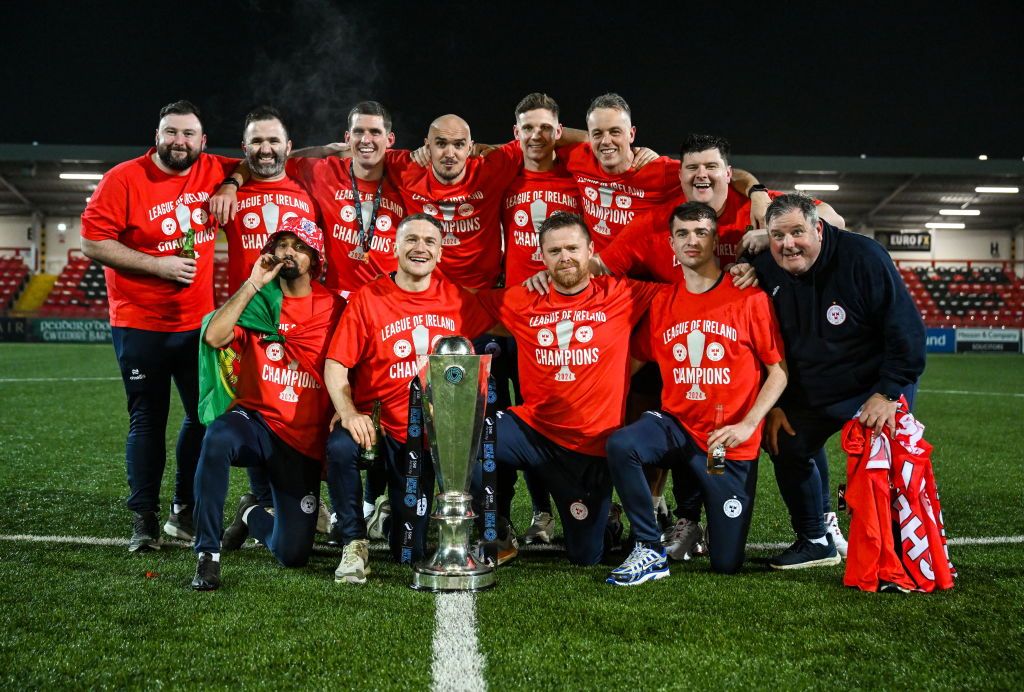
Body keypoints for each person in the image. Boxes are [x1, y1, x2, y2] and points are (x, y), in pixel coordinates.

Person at [80, 100, 237, 551]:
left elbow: (262, 161)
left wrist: (231, 182)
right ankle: (142, 518)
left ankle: (181, 509)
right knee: (148, 419)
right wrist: (157, 266)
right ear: (157, 134)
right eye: (171, 132)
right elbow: (92, 241)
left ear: (202, 142)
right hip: (139, 322)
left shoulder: (211, 168)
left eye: (188, 134)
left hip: (196, 327)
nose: (179, 142)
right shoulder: (124, 178)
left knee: (204, 418)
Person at [604, 202, 787, 585]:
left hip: (723, 442)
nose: (692, 240)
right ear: (671, 244)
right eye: (683, 233)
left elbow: (778, 373)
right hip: (676, 429)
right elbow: (632, 362)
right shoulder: (663, 303)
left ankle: (699, 520)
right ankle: (649, 547)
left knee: (726, 563)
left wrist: (747, 424)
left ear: (715, 239)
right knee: (623, 444)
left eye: (701, 232)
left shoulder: (748, 298)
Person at [746, 194, 925, 569]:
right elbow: (762, 344)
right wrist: (777, 403)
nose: (788, 244)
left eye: (798, 232)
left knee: (887, 455)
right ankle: (815, 540)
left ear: (820, 229)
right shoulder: (763, 267)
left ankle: (899, 547)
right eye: (778, 235)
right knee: (786, 443)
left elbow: (906, 331)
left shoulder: (864, 258)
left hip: (874, 384)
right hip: (813, 388)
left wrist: (888, 392)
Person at [475, 212, 661, 565]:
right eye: (555, 250)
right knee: (475, 437)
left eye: (573, 248)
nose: (565, 258)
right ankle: (495, 531)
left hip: (589, 449)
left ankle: (605, 521)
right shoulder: (520, 299)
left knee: (585, 556)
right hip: (534, 432)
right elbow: (455, 304)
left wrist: (739, 273)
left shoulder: (625, 294)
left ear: (591, 249)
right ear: (541, 256)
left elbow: (690, 294)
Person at [323, 213, 497, 584]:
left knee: (409, 552)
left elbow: (502, 331)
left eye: (430, 241)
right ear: (395, 247)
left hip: (427, 437)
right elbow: (336, 366)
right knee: (341, 447)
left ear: (440, 252)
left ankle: (389, 517)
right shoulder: (368, 298)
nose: (420, 248)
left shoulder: (459, 301)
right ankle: (353, 541)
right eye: (412, 240)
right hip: (379, 426)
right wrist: (349, 412)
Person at [190, 219, 343, 591]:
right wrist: (253, 283)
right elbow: (213, 336)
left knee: (293, 555)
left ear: (316, 257)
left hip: (301, 440)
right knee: (217, 437)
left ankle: (250, 512)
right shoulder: (258, 301)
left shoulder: (336, 306)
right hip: (256, 422)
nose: (289, 252)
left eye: (300, 246)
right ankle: (207, 555)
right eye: (283, 244)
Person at [562, 95, 769, 252]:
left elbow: (723, 173)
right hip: (603, 271)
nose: (606, 140)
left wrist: (758, 192)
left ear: (631, 134)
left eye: (615, 132)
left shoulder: (658, 169)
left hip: (649, 275)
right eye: (598, 133)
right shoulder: (579, 158)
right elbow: (547, 132)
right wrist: (588, 137)